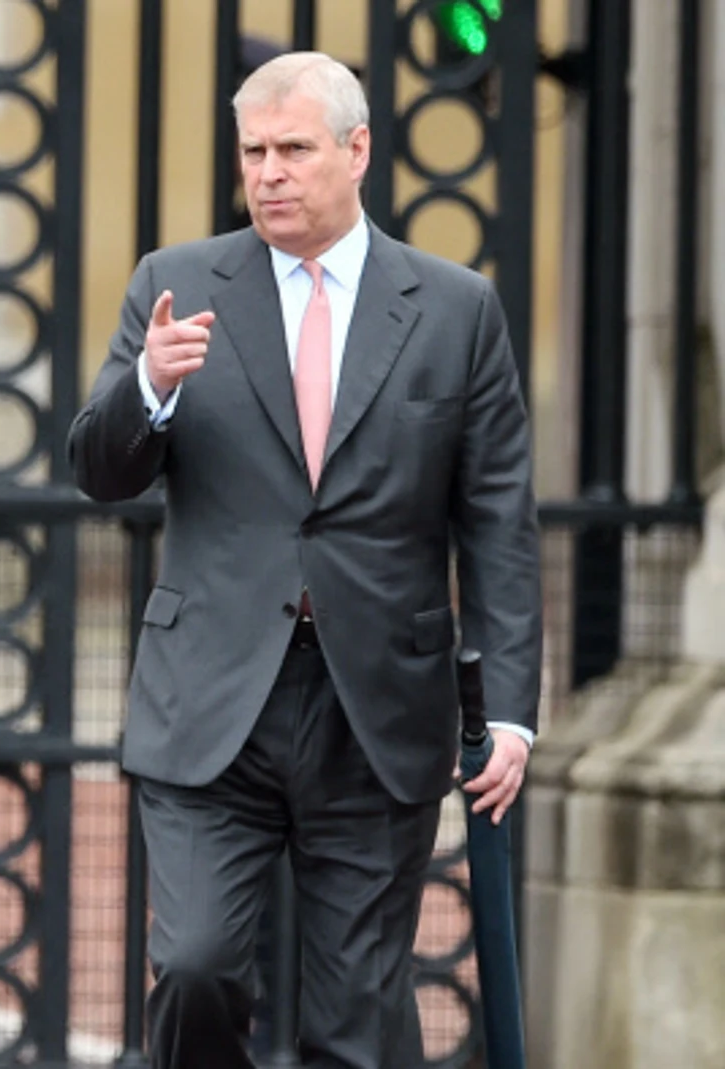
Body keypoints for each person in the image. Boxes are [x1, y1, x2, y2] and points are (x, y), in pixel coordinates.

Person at [68, 52, 541, 1068]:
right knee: (194, 967)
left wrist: (507, 707)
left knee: (357, 1021)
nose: (269, 172)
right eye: (253, 153)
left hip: (375, 705)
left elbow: (498, 518)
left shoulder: (455, 310)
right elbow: (99, 473)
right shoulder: (175, 285)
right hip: (209, 699)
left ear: (356, 149)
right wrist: (147, 386)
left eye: (293, 149)